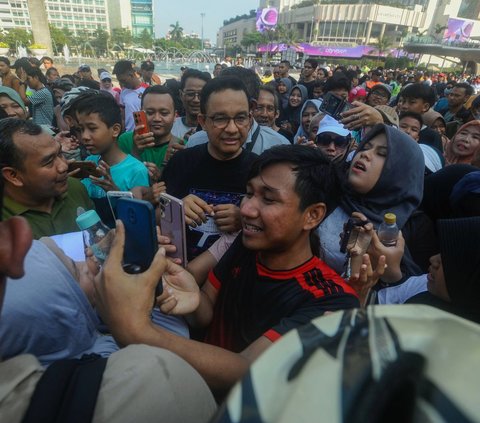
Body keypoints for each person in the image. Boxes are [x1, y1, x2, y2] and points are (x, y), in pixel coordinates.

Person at [93, 145, 367, 395]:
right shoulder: (247, 246)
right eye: (249, 193)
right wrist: (191, 297)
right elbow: (205, 313)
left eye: (268, 199)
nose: (246, 208)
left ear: (313, 215)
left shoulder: (333, 301)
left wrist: (136, 331)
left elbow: (247, 371)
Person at [0, 177, 217, 423]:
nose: (88, 263)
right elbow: (240, 371)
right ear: (67, 318)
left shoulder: (95, 323)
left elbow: (195, 316)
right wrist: (136, 329)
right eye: (76, 269)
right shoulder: (143, 380)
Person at [162, 76, 258, 259]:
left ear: (250, 119)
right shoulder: (181, 162)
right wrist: (176, 209)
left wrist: (244, 219)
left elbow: (268, 226)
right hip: (178, 269)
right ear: (203, 121)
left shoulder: (260, 170)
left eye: (240, 118)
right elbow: (159, 212)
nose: (231, 128)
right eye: (220, 119)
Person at [317, 124, 425, 280]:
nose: (365, 154)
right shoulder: (329, 191)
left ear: (400, 172)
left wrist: (390, 274)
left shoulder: (413, 227)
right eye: (365, 147)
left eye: (382, 154)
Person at [0, 119, 94, 239]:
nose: (64, 166)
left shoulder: (75, 188)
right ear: (13, 175)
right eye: (49, 162)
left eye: (60, 153)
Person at [75, 93, 148, 221]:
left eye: (92, 128)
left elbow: (139, 218)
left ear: (115, 130)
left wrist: (114, 191)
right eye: (81, 129)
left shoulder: (136, 170)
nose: (84, 136)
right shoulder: (89, 162)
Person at [118, 85, 182, 174]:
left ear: (175, 116)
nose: (157, 118)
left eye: (164, 113)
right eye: (150, 113)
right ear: (140, 113)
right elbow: (117, 178)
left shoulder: (180, 148)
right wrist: (135, 153)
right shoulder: (125, 141)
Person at [396, 83, 444, 152]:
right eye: (403, 101)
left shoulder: (432, 136)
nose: (404, 106)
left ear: (425, 107)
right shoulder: (393, 126)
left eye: (411, 102)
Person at [171, 69, 210, 142]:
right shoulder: (170, 127)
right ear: (181, 95)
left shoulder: (214, 130)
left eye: (201, 95)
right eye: (190, 94)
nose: (196, 100)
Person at [113, 60, 148, 132]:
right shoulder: (123, 92)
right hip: (128, 134)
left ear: (131, 74)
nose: (121, 84)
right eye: (119, 81)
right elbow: (123, 117)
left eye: (123, 80)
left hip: (144, 134)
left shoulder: (147, 90)